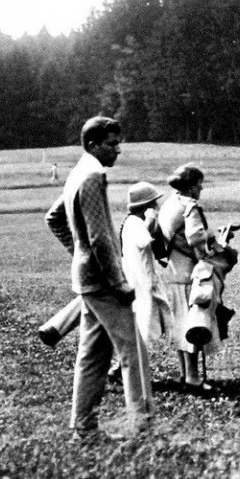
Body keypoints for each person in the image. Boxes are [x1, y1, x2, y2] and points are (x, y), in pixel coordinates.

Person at [45, 116, 150, 439]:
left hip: (89, 280)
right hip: (103, 282)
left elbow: (55, 218)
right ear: (92, 145)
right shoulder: (91, 176)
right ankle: (144, 429)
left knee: (93, 356)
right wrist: (117, 281)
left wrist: (79, 255)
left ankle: (84, 429)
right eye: (111, 144)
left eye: (119, 143)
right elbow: (100, 238)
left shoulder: (78, 172)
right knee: (135, 353)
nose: (118, 149)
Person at [158, 164, 226, 393]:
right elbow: (195, 237)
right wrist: (205, 257)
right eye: (199, 184)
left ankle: (186, 374)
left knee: (181, 328)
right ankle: (194, 379)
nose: (201, 188)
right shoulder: (190, 206)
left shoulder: (169, 203)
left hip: (173, 273)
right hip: (190, 275)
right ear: (191, 187)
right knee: (195, 325)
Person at [119, 181, 173, 412]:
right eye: (153, 204)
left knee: (149, 324)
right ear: (146, 206)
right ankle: (131, 374)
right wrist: (152, 220)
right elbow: (145, 240)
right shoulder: (135, 224)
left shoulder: (133, 222)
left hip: (145, 280)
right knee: (142, 328)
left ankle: (126, 370)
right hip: (140, 282)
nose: (157, 206)